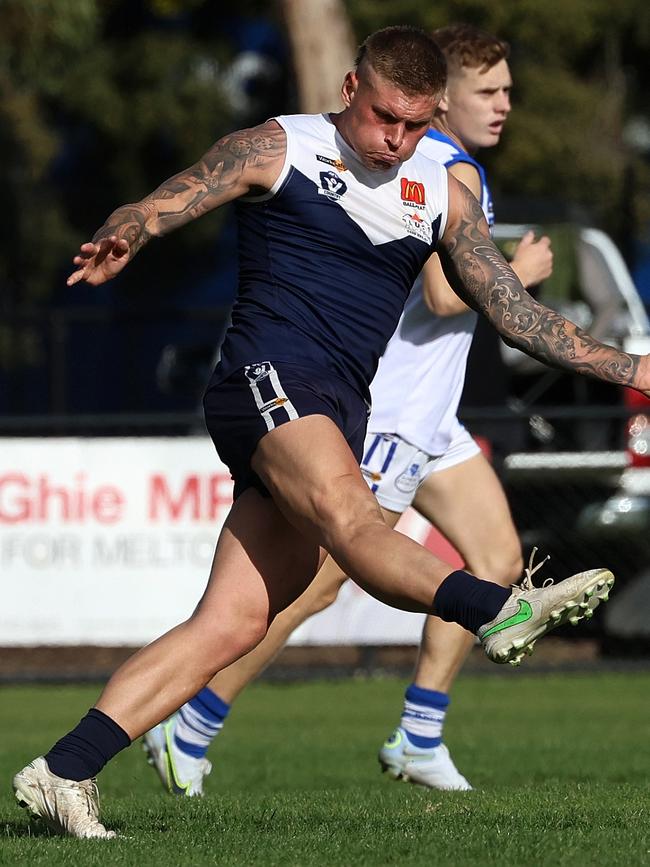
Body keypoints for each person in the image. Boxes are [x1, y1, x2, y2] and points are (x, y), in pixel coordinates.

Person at [13, 25, 634, 839]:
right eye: (383, 118)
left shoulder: (442, 187)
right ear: (349, 90)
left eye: (415, 124)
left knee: (234, 622)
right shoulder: (282, 146)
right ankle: (497, 607)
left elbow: (515, 317)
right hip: (265, 379)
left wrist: (632, 368)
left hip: (338, 404)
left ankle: (63, 770)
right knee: (353, 519)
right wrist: (131, 226)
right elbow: (180, 192)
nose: (396, 140)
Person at [141, 24, 554, 798]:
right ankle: (190, 724)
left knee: (496, 556)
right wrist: (517, 273)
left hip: (438, 412)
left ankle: (419, 732)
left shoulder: (456, 169)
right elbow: (437, 294)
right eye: (488, 93)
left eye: (508, 90)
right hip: (391, 407)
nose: (504, 106)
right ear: (446, 101)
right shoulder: (431, 165)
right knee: (320, 581)